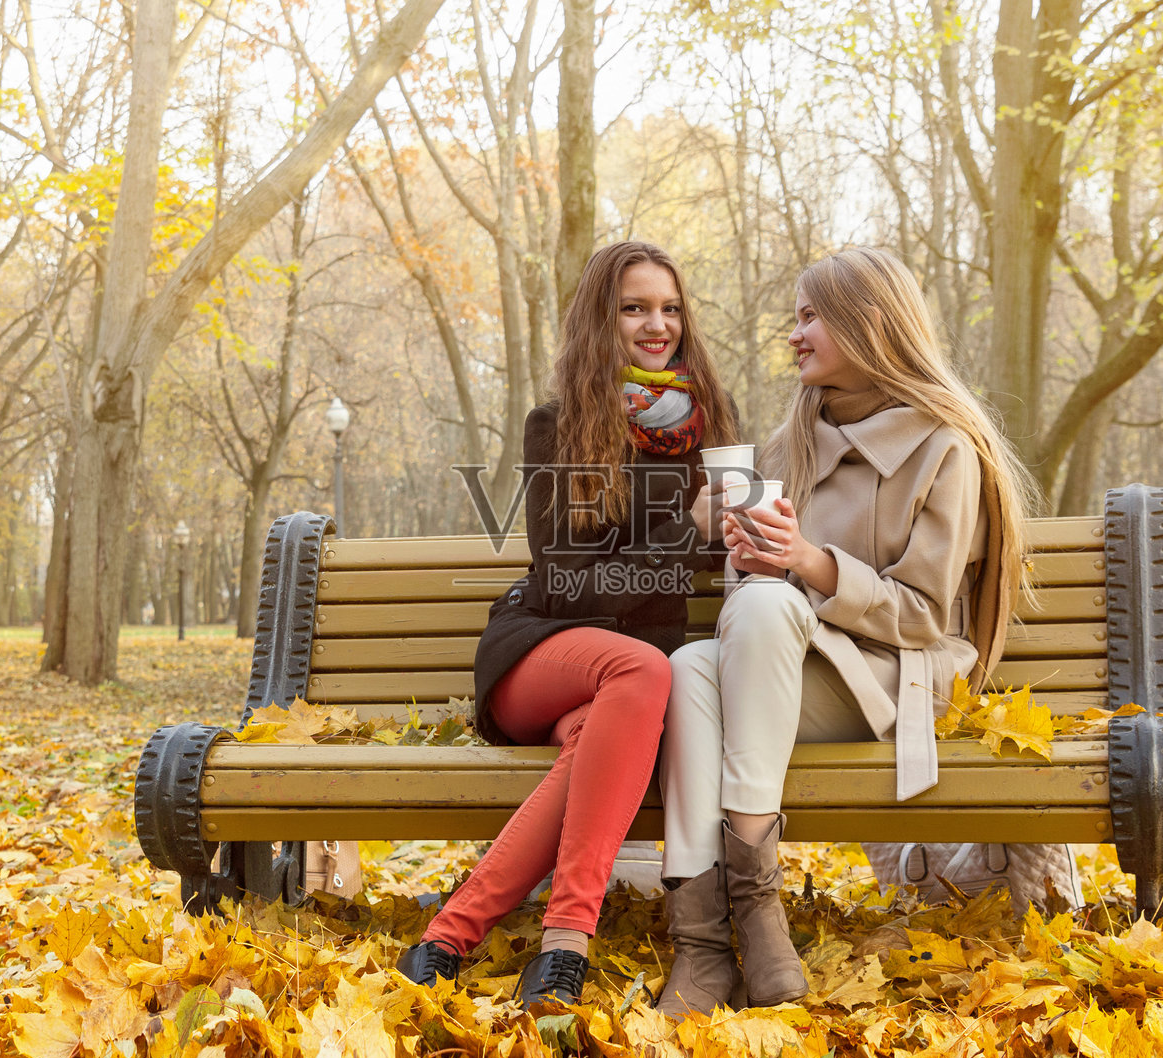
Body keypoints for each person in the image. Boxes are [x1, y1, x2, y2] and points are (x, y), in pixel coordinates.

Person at [655, 247, 1034, 1015]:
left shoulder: (946, 448)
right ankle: (701, 945)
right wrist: (713, 515)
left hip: (895, 679)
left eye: (809, 315)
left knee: (756, 616)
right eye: (795, 316)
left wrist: (812, 563)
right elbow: (740, 544)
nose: (794, 334)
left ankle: (756, 913)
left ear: (868, 324)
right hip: (788, 671)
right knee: (689, 668)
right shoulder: (794, 436)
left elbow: (926, 614)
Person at [394, 241, 738, 1005]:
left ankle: (447, 938)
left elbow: (688, 579)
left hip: (630, 689)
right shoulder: (557, 427)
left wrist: (752, 527)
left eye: (671, 308)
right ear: (600, 319)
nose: (658, 325)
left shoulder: (711, 432)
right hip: (538, 653)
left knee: (619, 714)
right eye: (635, 308)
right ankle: (567, 938)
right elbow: (564, 584)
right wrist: (682, 531)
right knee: (642, 670)